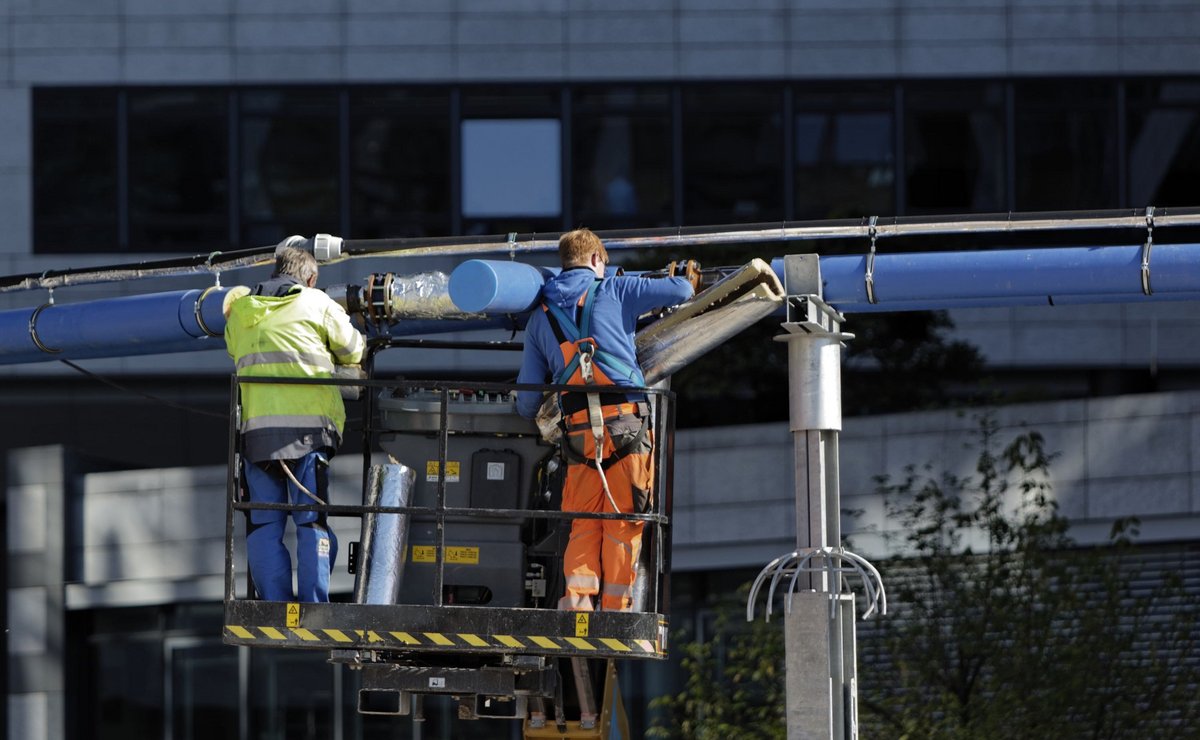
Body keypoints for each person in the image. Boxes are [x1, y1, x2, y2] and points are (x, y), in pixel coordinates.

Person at [516, 229, 696, 611]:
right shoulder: (616, 289)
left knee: (583, 520)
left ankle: (578, 601)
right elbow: (682, 291)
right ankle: (616, 610)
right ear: (598, 260)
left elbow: (528, 402)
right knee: (623, 520)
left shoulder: (538, 319)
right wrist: (679, 277)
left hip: (579, 435)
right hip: (626, 426)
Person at [223, 245, 365, 602]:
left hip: (257, 439)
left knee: (264, 526)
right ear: (312, 278)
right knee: (310, 522)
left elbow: (231, 346)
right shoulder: (316, 302)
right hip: (308, 435)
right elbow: (354, 349)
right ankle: (313, 605)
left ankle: (275, 605)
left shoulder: (242, 311)